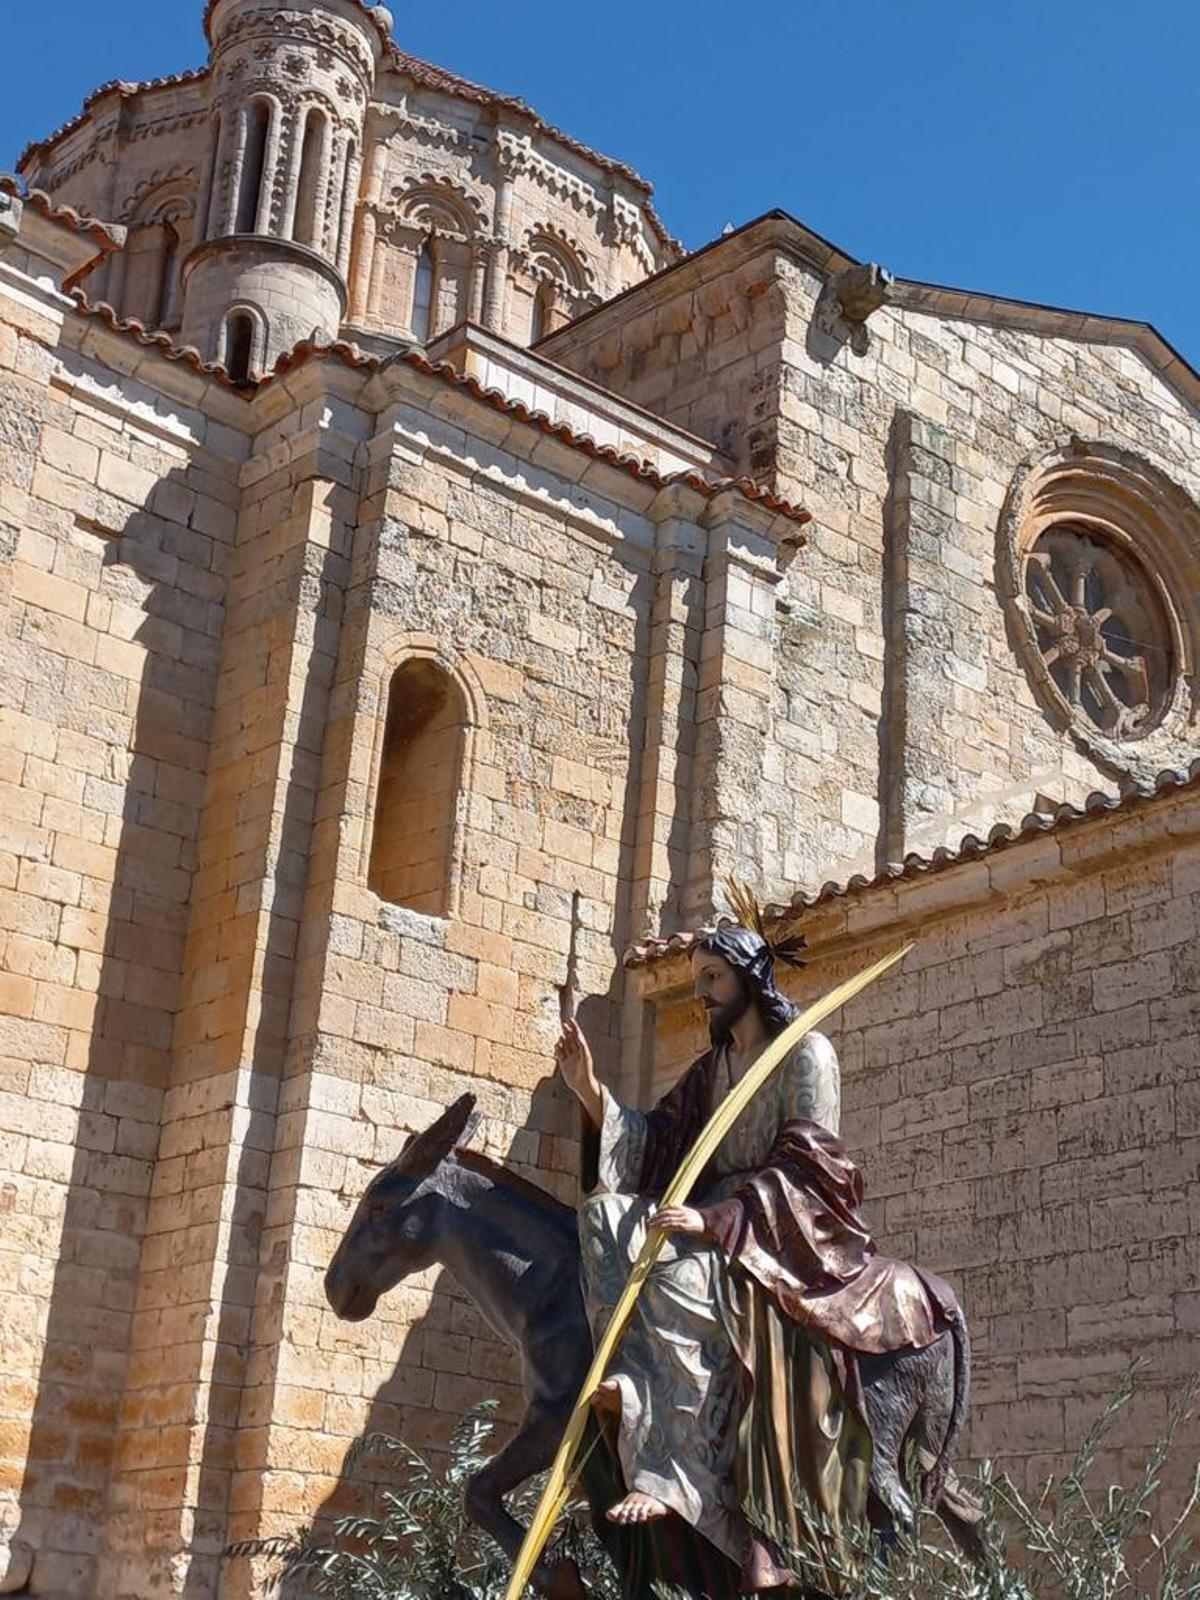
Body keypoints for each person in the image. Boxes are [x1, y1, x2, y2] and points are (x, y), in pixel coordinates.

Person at [556, 922, 958, 1592]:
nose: (703, 994)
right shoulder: (712, 1069)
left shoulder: (806, 1056)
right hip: (703, 1215)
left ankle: (675, 1476)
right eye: (698, 981)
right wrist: (590, 1090)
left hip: (777, 1233)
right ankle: (628, 1383)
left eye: (713, 978)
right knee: (600, 1217)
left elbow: (814, 1173)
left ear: (750, 977)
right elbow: (657, 1143)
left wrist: (716, 1221)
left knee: (678, 1273)